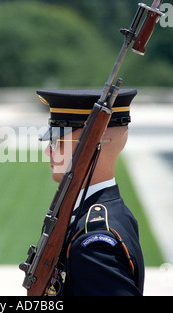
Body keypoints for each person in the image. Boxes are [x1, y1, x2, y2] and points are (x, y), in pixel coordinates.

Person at [37, 88, 145, 296]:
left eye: (56, 141)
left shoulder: (95, 242)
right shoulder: (106, 212)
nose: (47, 151)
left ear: (92, 146)